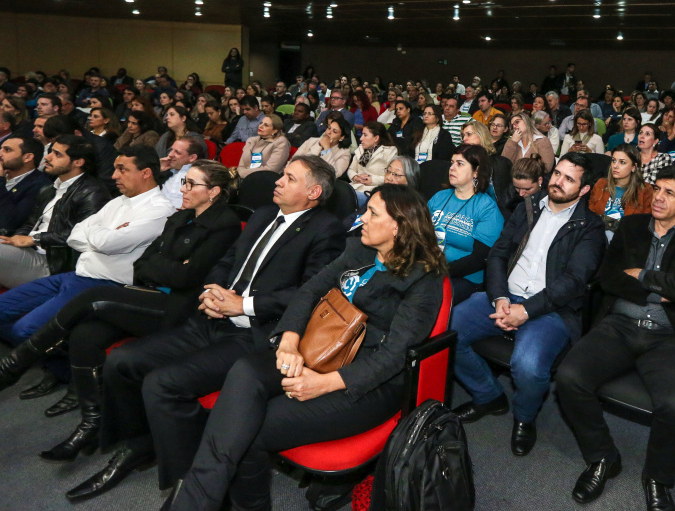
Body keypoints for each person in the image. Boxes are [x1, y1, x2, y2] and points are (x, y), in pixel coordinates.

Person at [66, 155, 347, 502]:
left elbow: (311, 292)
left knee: (162, 384)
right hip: (212, 318)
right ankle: (139, 445)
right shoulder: (261, 215)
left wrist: (241, 305)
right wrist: (212, 291)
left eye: (289, 178)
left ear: (314, 191)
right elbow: (227, 261)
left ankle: (192, 486)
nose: (278, 181)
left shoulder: (326, 229)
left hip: (255, 334)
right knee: (122, 361)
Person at [161, 183, 446, 509]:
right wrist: (289, 343)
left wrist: (322, 384)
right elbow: (309, 292)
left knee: (248, 428)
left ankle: (201, 501)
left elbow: (394, 355)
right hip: (316, 348)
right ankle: (198, 498)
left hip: (364, 379)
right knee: (245, 371)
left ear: (398, 226)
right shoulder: (359, 249)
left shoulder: (422, 277)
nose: (362, 218)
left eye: (372, 213)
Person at [0, 160, 241, 462]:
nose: (184, 189)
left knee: (96, 297)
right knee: (85, 335)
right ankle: (91, 422)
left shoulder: (225, 224)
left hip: (179, 309)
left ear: (214, 191)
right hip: (146, 294)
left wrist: (165, 270)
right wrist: (168, 269)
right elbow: (142, 265)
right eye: (184, 182)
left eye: (192, 184)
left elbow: (186, 279)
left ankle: (14, 365)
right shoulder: (181, 218)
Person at [555, 165, 675, 510]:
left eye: (669, 193)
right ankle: (603, 457)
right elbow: (609, 280)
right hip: (620, 325)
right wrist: (663, 287)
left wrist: (642, 274)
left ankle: (658, 478)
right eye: (656, 189)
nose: (657, 197)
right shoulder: (631, 227)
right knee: (569, 378)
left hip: (670, 336)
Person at [450, 152, 605, 457]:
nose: (558, 182)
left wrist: (526, 310)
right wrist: (500, 297)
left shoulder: (590, 227)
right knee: (447, 329)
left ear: (584, 189)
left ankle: (524, 418)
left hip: (550, 309)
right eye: (557, 173)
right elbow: (497, 254)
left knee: (529, 367)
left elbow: (573, 282)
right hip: (505, 296)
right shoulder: (528, 207)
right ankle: (489, 395)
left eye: (569, 179)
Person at [0, 146, 174, 404]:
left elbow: (108, 243)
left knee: (27, 329)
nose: (114, 175)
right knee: (3, 311)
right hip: (75, 275)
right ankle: (61, 367)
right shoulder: (117, 201)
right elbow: (74, 235)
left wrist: (96, 234)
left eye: (122, 169)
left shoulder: (160, 209)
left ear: (146, 173)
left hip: (105, 284)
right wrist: (99, 235)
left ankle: (70, 375)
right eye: (115, 168)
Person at [0, 135, 109, 289]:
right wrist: (16, 239)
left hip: (52, 264)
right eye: (51, 151)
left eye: (57, 154)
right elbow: (31, 223)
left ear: (78, 162)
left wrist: (35, 239)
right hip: (30, 252)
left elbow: (83, 236)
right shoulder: (49, 189)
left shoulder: (93, 193)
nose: (48, 157)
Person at [428, 144, 504, 304]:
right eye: (452, 162)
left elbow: (478, 259)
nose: (452, 168)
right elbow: (418, 233)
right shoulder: (439, 197)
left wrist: (438, 271)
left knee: (426, 295)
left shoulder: (486, 207)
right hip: (428, 267)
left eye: (460, 164)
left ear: (476, 172)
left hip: (464, 277)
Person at [589, 143, 653, 242]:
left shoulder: (645, 190)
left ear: (634, 167)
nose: (615, 166)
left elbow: (644, 224)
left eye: (622, 162)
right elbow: (590, 214)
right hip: (597, 236)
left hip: (627, 241)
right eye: (613, 161)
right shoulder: (601, 184)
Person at [0, 135, 50, 236]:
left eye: (7, 150)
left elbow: (7, 224)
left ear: (27, 157)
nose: (0, 153)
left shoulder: (40, 186)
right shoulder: (4, 177)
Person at [348, 121, 398, 205]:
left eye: (365, 135)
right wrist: (355, 177)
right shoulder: (360, 149)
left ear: (376, 138)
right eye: (362, 134)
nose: (361, 138)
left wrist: (372, 180)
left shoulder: (390, 151)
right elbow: (351, 169)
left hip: (374, 191)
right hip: (355, 187)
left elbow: (393, 177)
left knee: (346, 197)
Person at [235, 114, 291, 179]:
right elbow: (241, 165)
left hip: (266, 180)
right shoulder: (251, 141)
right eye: (261, 123)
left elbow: (270, 169)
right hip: (245, 177)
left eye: (266, 125)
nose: (261, 126)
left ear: (275, 130)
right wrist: (241, 174)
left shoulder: (281, 142)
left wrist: (242, 174)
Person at [299, 113, 352, 178]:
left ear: (341, 137)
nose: (329, 132)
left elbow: (334, 174)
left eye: (334, 131)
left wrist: (327, 149)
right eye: (329, 128)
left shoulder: (344, 153)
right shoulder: (311, 141)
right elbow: (293, 160)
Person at [160, 137, 208, 208]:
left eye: (177, 152)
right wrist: (158, 170)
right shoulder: (165, 169)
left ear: (192, 158)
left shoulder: (200, 177)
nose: (170, 155)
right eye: (171, 150)